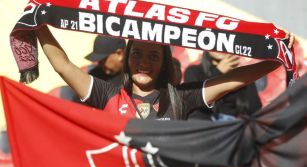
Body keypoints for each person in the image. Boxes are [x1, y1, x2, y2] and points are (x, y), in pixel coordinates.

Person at [36, 26, 294, 120]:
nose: (144, 62)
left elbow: (234, 80)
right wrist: (37, 25)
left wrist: (278, 57)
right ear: (127, 59)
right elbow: (63, 65)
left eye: (154, 56)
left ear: (164, 63)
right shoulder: (107, 93)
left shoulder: (180, 97)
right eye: (137, 54)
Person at [184, 52, 262, 121]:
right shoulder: (193, 71)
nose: (220, 49)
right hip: (206, 125)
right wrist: (218, 72)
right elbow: (195, 101)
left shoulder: (243, 76)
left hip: (234, 127)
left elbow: (256, 111)